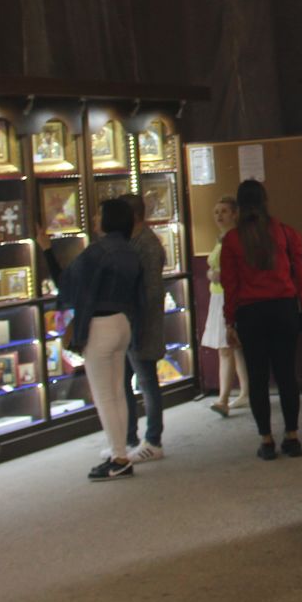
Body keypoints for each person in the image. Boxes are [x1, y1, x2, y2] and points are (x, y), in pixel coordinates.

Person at [41, 198, 142, 481]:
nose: (95, 219)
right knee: (118, 391)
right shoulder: (130, 251)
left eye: (99, 215)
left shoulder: (97, 252)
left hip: (100, 326)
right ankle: (120, 451)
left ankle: (118, 457)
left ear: (108, 220)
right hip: (122, 323)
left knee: (104, 395)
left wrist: (47, 250)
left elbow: (66, 283)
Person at [221, 180, 302, 460]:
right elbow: (300, 274)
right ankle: (292, 436)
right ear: (265, 201)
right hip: (283, 309)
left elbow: (230, 285)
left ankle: (266, 440)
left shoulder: (232, 240)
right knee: (287, 375)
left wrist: (229, 321)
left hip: (251, 314)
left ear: (239, 206)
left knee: (257, 378)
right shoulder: (285, 233)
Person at [122, 196, 168, 463]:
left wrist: (138, 321)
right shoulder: (133, 241)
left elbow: (151, 291)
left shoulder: (147, 245)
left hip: (142, 324)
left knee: (147, 382)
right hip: (131, 323)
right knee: (125, 381)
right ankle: (129, 437)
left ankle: (153, 439)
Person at [200, 196, 250, 417]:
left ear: (235, 214)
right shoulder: (221, 238)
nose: (219, 216)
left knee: (225, 348)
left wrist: (217, 274)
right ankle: (245, 392)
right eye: (216, 212)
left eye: (224, 211)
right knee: (235, 348)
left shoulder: (234, 238)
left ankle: (223, 399)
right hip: (218, 294)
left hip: (226, 296)